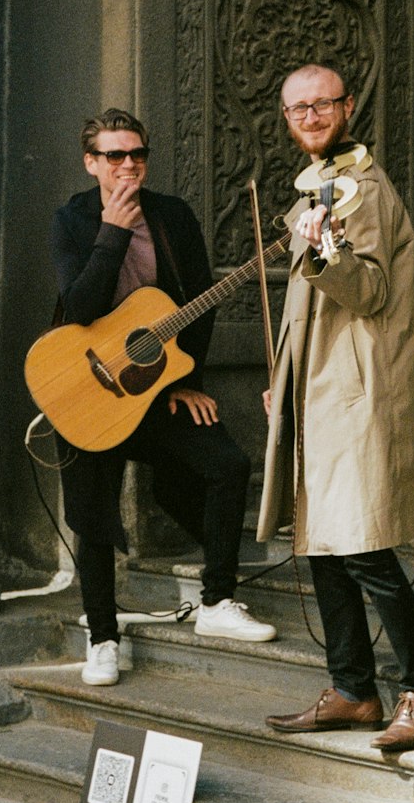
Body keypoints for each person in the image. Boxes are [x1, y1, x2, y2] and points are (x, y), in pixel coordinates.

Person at [257, 66, 414, 752]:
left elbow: (366, 291)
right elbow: (307, 314)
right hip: (321, 391)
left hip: (357, 393)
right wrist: (283, 378)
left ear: (346, 107)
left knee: (365, 548)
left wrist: (323, 246)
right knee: (324, 548)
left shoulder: (359, 189)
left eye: (322, 104)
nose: (311, 116)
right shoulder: (322, 184)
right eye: (297, 108)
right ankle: (352, 690)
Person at [52, 107, 275, 686]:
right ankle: (102, 636)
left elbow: (199, 301)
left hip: (155, 387)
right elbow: (80, 309)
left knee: (227, 463)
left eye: (138, 154)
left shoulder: (173, 217)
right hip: (88, 386)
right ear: (90, 162)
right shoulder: (74, 220)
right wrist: (114, 232)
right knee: (94, 506)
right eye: (115, 155)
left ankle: (217, 602)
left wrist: (185, 380)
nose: (129, 165)